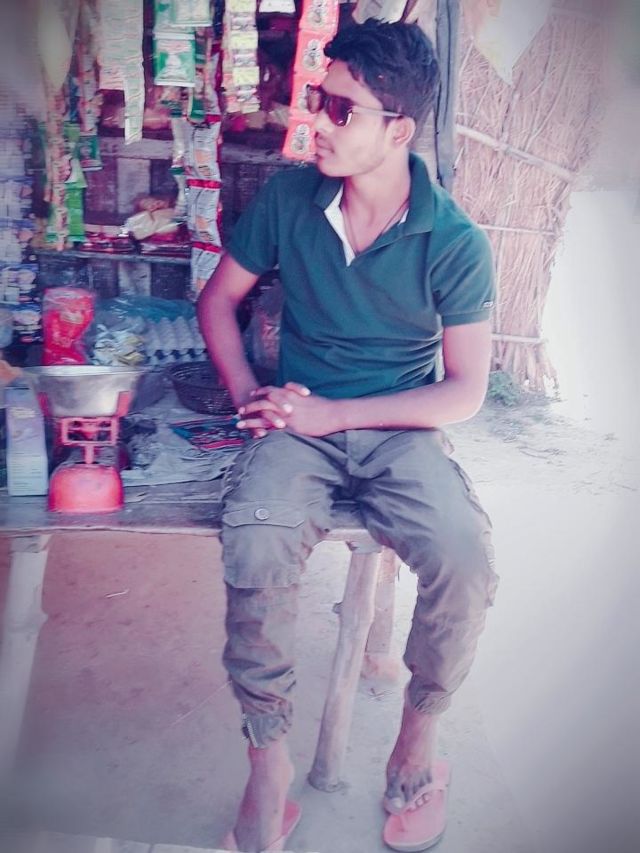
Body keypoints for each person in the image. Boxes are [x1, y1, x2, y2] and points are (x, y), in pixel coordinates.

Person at [197, 18, 498, 853]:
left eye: (340, 109)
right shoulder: (290, 199)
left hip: (398, 427)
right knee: (257, 540)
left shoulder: (455, 241)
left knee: (464, 556)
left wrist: (338, 414)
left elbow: (465, 391)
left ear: (398, 130)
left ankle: (418, 739)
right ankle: (268, 763)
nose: (316, 123)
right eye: (316, 100)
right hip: (297, 423)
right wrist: (249, 394)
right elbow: (218, 302)